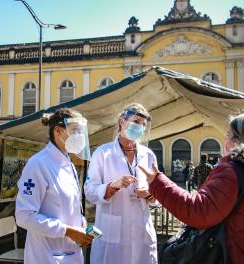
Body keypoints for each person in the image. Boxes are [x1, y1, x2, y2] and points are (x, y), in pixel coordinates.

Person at [139, 111, 244, 264]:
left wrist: (158, 182)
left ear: (240, 140)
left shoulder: (234, 170)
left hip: (232, 256)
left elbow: (199, 211)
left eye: (229, 135)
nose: (225, 140)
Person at [15, 108, 93, 264]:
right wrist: (67, 231)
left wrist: (80, 221)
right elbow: (24, 216)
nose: (79, 136)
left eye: (80, 130)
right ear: (58, 130)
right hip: (46, 256)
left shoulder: (68, 164)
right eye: (75, 130)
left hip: (71, 253)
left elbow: (67, 205)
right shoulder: (38, 164)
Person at [84, 103, 158, 264]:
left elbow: (158, 193)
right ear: (122, 121)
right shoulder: (102, 153)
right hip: (111, 235)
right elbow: (89, 192)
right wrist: (112, 186)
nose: (140, 127)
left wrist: (151, 195)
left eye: (143, 125)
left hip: (141, 233)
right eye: (136, 121)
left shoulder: (148, 155)